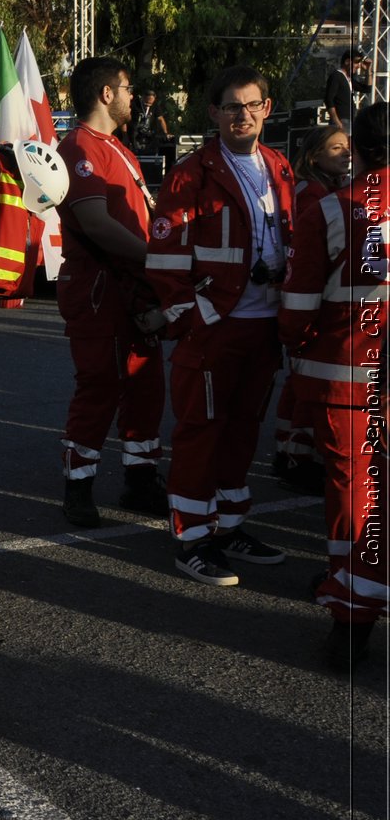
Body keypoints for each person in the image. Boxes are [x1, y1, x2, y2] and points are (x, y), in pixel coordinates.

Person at [144, 64, 295, 586]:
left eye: (253, 104)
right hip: (214, 327)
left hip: (265, 326)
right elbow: (163, 259)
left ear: (267, 109)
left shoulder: (279, 167)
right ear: (214, 113)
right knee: (199, 434)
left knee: (243, 431)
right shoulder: (191, 173)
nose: (243, 114)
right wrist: (194, 318)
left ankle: (229, 527)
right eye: (232, 106)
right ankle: (191, 540)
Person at [279, 100, 388, 671]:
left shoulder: (335, 208)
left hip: (346, 372)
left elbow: (298, 303)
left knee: (353, 485)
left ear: (363, 152)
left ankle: (347, 598)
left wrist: (296, 345)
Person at [53, 56, 168, 527]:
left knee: (145, 384)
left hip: (132, 286)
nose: (132, 95)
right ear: (106, 94)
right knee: (100, 386)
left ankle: (140, 479)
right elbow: (96, 224)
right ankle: (78, 488)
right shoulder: (80, 146)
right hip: (100, 288)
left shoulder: (114, 146)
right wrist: (154, 257)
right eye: (127, 87)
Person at [273, 124, 353, 490]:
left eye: (348, 147)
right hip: (311, 302)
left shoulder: (324, 188)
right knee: (305, 381)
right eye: (336, 148)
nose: (346, 153)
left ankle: (290, 448)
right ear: (314, 155)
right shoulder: (314, 194)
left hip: (309, 298)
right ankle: (295, 454)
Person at [324, 49, 365, 134]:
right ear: (347, 61)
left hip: (350, 119)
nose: (358, 66)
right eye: (356, 62)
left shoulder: (349, 79)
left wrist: (368, 70)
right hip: (341, 119)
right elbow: (328, 99)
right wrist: (336, 121)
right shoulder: (337, 76)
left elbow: (367, 88)